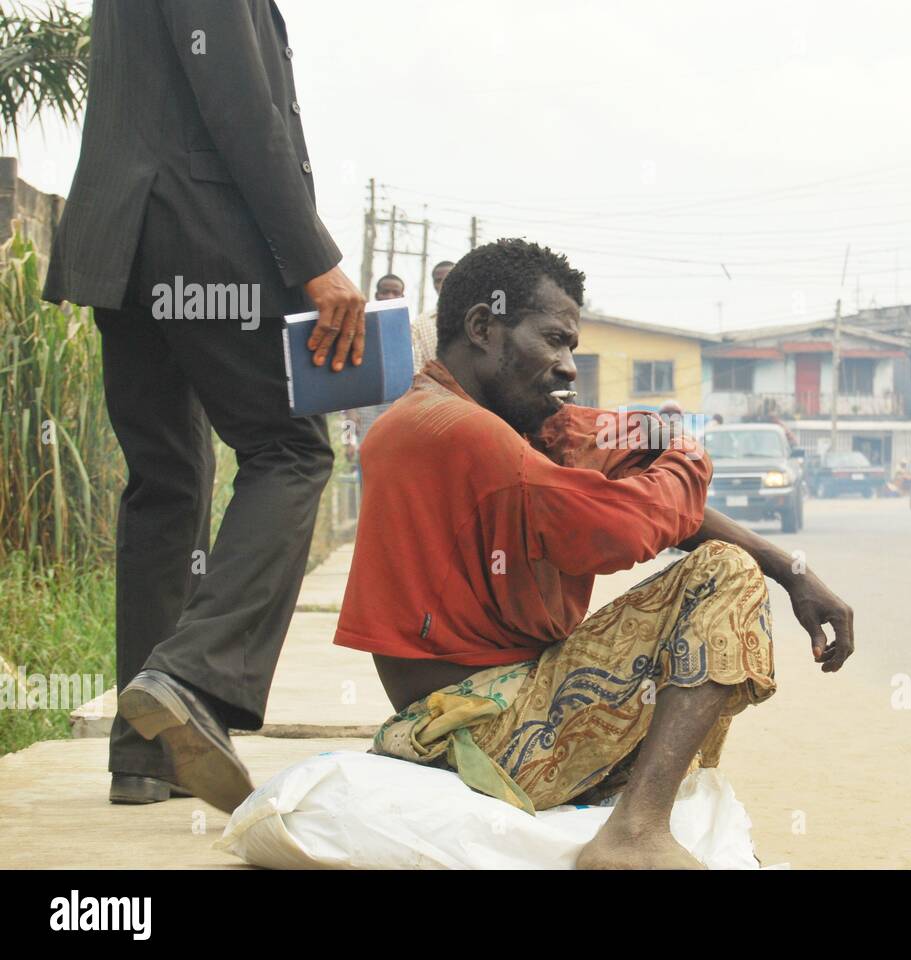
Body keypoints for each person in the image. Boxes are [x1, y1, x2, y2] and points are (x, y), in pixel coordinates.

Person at [332, 239, 854, 869]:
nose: (567, 366)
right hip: (487, 727)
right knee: (723, 575)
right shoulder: (466, 433)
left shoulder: (460, 418)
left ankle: (633, 820)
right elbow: (626, 524)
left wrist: (790, 571)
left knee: (728, 575)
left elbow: (634, 462)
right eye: (554, 340)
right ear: (481, 327)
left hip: (482, 712)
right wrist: (689, 454)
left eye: (571, 348)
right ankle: (636, 831)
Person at [42, 1, 365, 810]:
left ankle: (146, 757)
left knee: (169, 480)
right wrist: (313, 257)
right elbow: (240, 107)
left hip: (122, 239)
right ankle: (189, 676)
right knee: (291, 451)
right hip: (202, 237)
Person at [343, 274, 407, 479]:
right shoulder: (359, 328)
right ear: (376, 295)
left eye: (395, 292)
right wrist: (348, 441)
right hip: (366, 426)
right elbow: (347, 394)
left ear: (402, 296)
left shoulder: (409, 331)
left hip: (400, 427)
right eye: (385, 292)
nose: (389, 296)